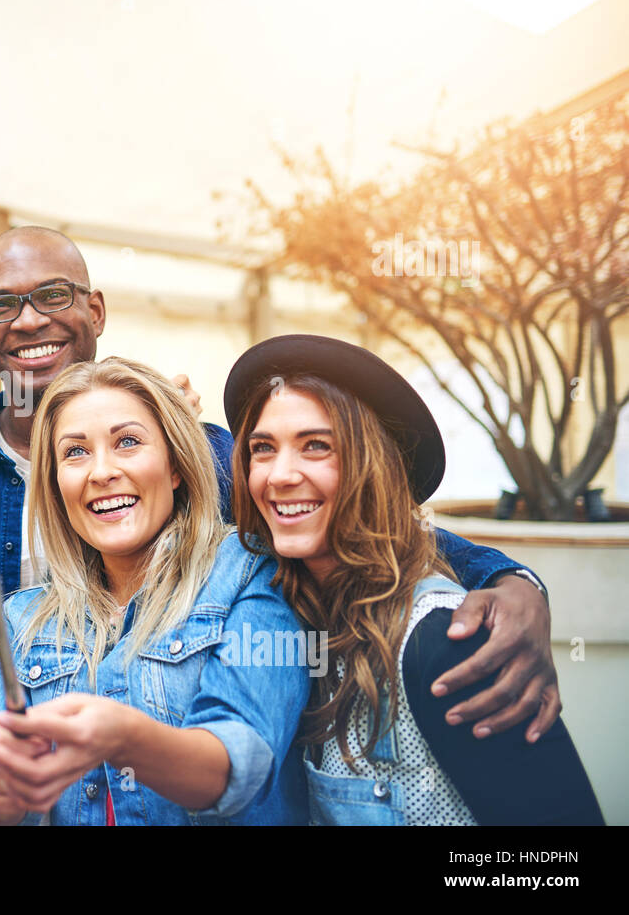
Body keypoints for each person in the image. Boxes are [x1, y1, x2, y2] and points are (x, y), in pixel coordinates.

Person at [0, 225, 560, 826]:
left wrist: (508, 576)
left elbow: (348, 516)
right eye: (2, 305)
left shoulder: (240, 544)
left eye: (53, 295)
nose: (29, 320)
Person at [224, 334, 602, 824]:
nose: (279, 474)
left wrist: (521, 582)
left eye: (316, 446)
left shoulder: (444, 641)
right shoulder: (289, 615)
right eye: (263, 449)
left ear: (373, 467)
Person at [0, 358, 310, 825]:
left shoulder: (249, 573)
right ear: (55, 482)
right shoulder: (25, 616)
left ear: (176, 466)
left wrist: (124, 737)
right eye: (75, 452)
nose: (101, 471)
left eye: (127, 442)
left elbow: (235, 765)